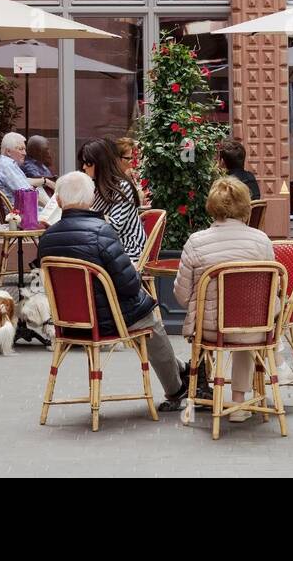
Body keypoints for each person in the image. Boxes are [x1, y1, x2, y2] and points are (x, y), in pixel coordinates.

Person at [35, 171, 191, 411]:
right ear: (90, 199)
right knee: (151, 322)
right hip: (109, 318)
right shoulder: (101, 231)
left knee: (144, 318)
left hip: (68, 322)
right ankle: (176, 389)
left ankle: (179, 367)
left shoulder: (46, 239)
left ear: (58, 201)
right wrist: (135, 275)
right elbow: (128, 285)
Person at [174, 177, 293, 422]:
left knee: (238, 321)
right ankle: (240, 401)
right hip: (253, 329)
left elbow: (180, 294)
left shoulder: (195, 242)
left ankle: (208, 397)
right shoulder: (261, 240)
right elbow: (272, 288)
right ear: (245, 205)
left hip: (209, 331)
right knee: (251, 321)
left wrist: (201, 308)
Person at [77, 137, 146, 263]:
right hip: (103, 249)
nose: (83, 167)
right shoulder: (95, 187)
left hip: (127, 251)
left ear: (100, 163)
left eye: (88, 163)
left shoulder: (122, 187)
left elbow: (114, 227)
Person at [0, 131, 49, 210]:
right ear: (8, 152)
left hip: (24, 213)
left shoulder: (6, 165)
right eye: (21, 149)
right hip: (24, 216)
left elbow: (24, 183)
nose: (24, 153)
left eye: (24, 149)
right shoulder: (7, 166)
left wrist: (44, 181)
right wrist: (49, 206)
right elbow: (27, 193)